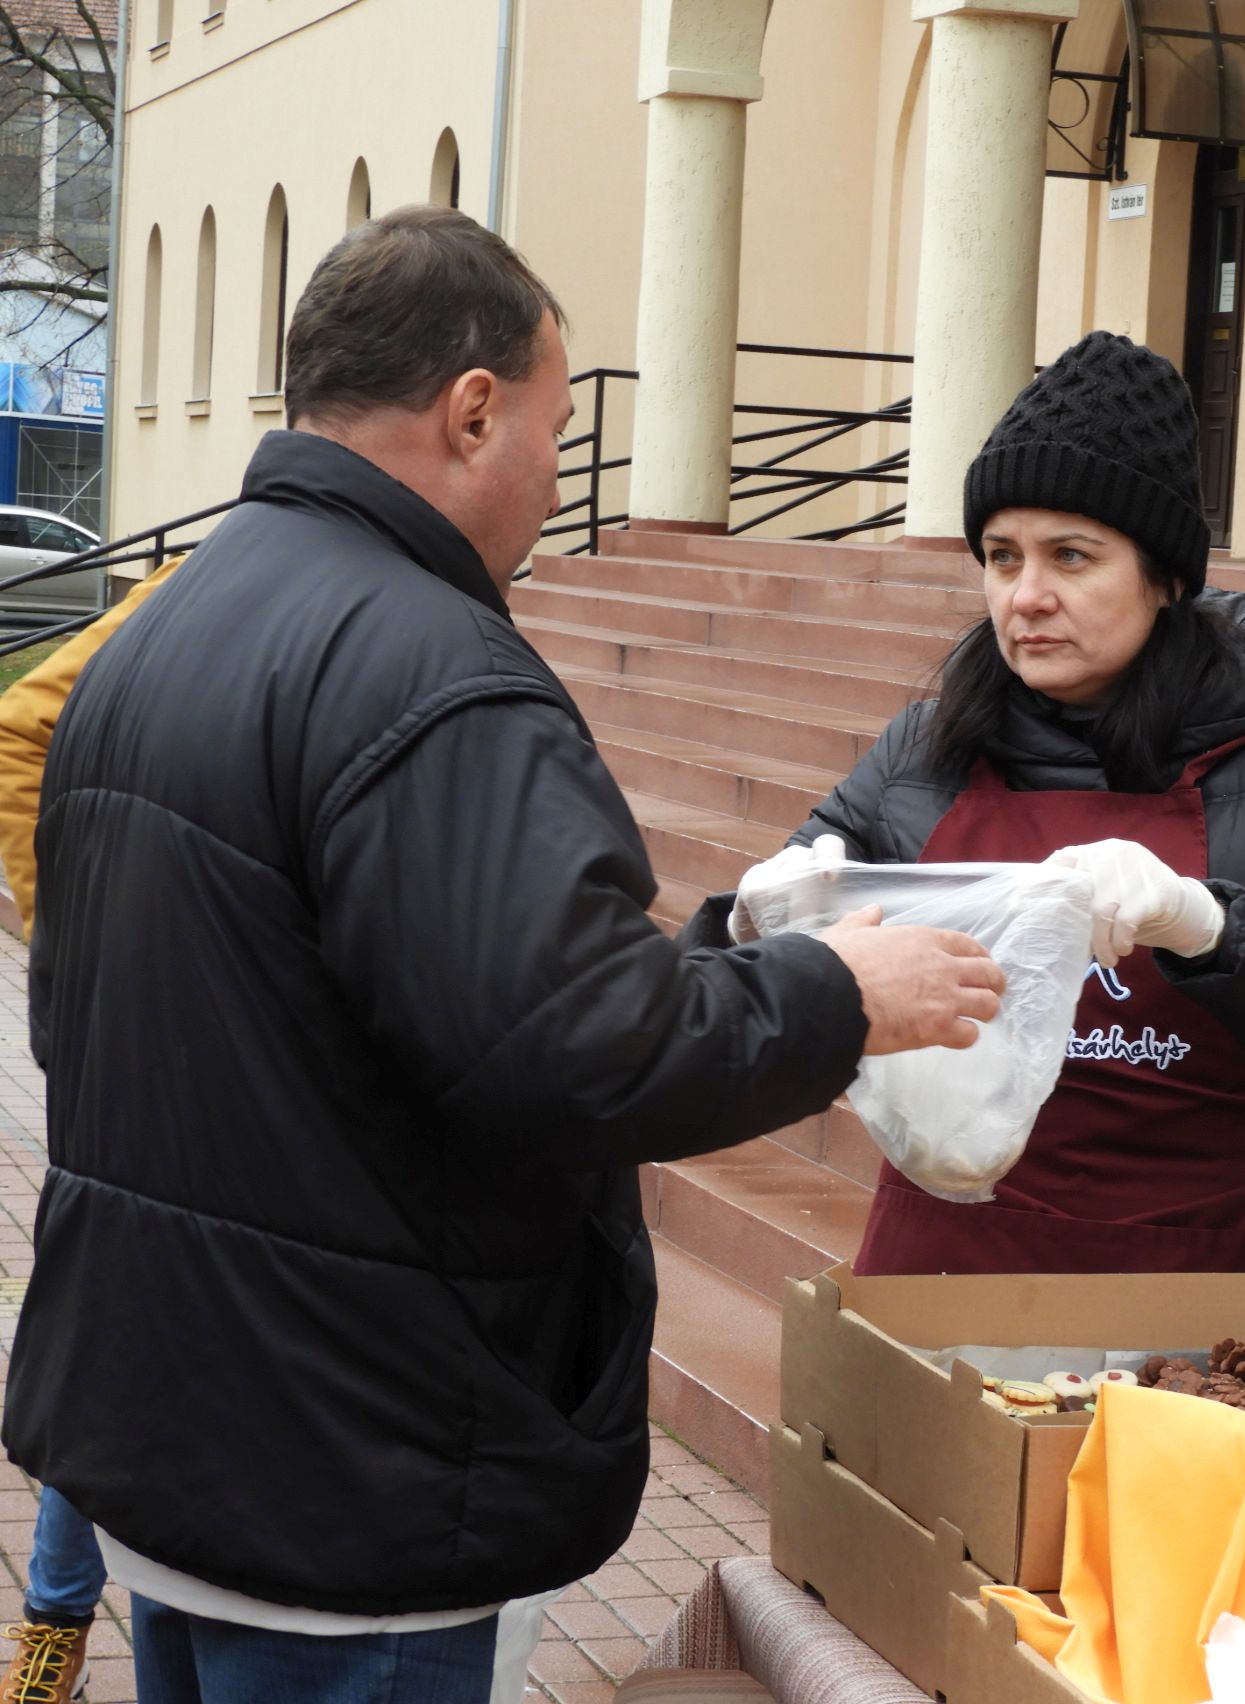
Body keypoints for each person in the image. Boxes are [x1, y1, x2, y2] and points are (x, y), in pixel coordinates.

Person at [5, 206, 1004, 1704]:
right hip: (357, 1481)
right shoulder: (434, 669)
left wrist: (719, 951)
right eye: (551, 416)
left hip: (195, 1442)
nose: (553, 462)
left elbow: (387, 994)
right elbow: (573, 1050)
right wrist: (838, 996)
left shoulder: (168, 627)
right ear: (473, 409)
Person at [714, 331, 1245, 1274]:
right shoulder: (924, 756)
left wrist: (1212, 928)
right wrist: (758, 928)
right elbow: (716, 1004)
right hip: (950, 1274)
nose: (1024, 598)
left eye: (1071, 557)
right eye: (1000, 557)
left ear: (1163, 579)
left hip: (1216, 1295)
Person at [0, 557, 179, 1703]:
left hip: (207, 1052)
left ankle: (123, 1631)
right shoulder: (192, 593)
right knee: (115, 1317)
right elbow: (21, 725)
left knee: (153, 1338)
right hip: (146, 1041)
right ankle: (55, 1632)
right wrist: (68, 927)